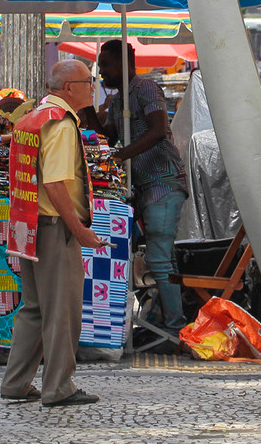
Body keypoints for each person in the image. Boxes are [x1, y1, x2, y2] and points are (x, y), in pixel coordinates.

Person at [0, 60, 104, 407]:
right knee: (62, 310)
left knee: (35, 308)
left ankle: (16, 383)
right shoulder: (60, 124)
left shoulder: (34, 116)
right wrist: (79, 229)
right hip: (53, 226)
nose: (93, 86)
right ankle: (59, 386)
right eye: (89, 81)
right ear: (70, 88)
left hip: (28, 222)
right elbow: (55, 183)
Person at [94, 40, 189, 346]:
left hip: (163, 183)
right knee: (164, 259)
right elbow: (106, 134)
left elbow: (158, 129)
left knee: (159, 259)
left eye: (105, 65)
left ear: (123, 63)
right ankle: (165, 320)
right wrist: (84, 104)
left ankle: (175, 329)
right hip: (145, 188)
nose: (101, 72)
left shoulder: (146, 88)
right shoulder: (119, 99)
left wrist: (120, 157)